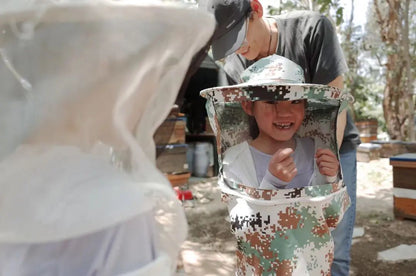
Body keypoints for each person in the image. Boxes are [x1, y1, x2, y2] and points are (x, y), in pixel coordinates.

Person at [199, 0, 361, 275]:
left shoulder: (312, 29)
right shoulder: (235, 63)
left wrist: (328, 166)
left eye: (238, 38)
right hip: (262, 155)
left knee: (336, 250)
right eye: (226, 44)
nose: (238, 50)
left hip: (327, 147)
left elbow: (335, 104)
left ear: (256, 11)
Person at [223, 57, 340, 191]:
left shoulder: (316, 150)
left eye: (295, 101)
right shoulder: (235, 160)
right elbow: (241, 210)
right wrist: (272, 182)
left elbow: (329, 208)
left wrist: (330, 178)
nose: (284, 113)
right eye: (271, 102)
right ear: (249, 106)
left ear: (305, 105)